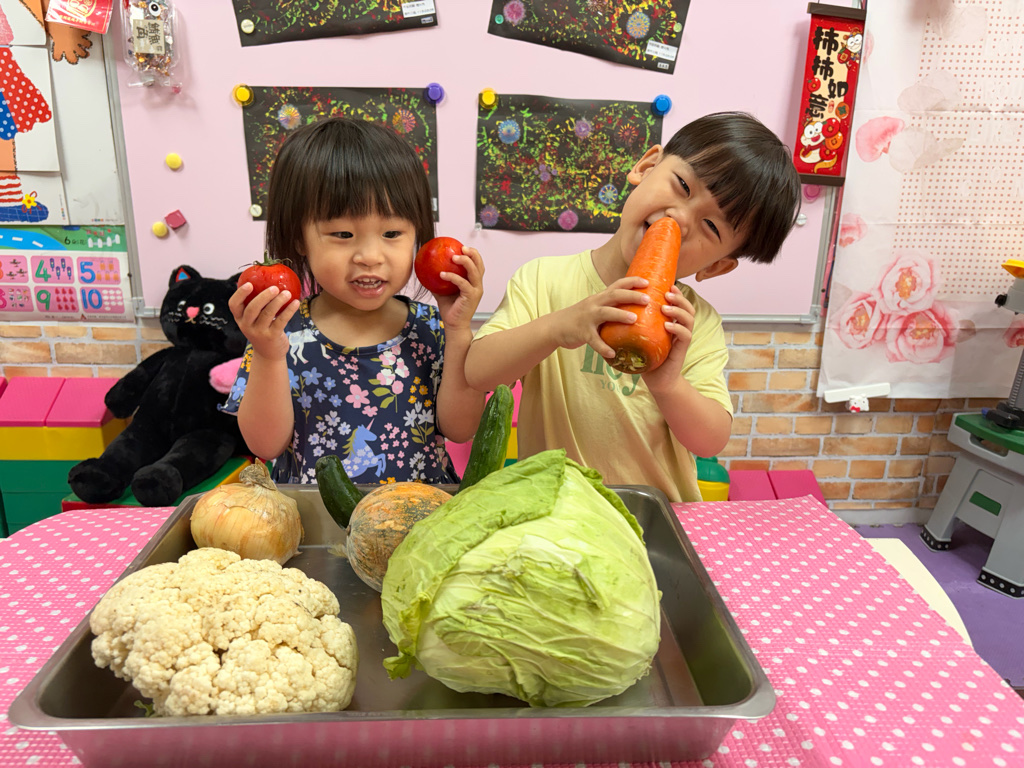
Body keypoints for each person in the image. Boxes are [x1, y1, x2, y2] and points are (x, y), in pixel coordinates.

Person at [464, 111, 802, 502]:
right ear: (646, 166)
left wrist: (667, 384)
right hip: (556, 509)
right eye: (682, 186)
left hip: (653, 513)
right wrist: (558, 327)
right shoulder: (543, 280)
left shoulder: (693, 322)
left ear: (716, 266)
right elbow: (477, 372)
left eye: (711, 227)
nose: (680, 218)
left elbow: (710, 441)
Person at [223, 117, 486, 485]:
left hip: (422, 515)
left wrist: (458, 331)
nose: (370, 256)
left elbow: (461, 429)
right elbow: (265, 446)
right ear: (299, 238)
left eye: (392, 232)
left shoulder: (433, 329)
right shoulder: (281, 333)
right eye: (343, 234)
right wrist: (268, 354)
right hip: (315, 518)